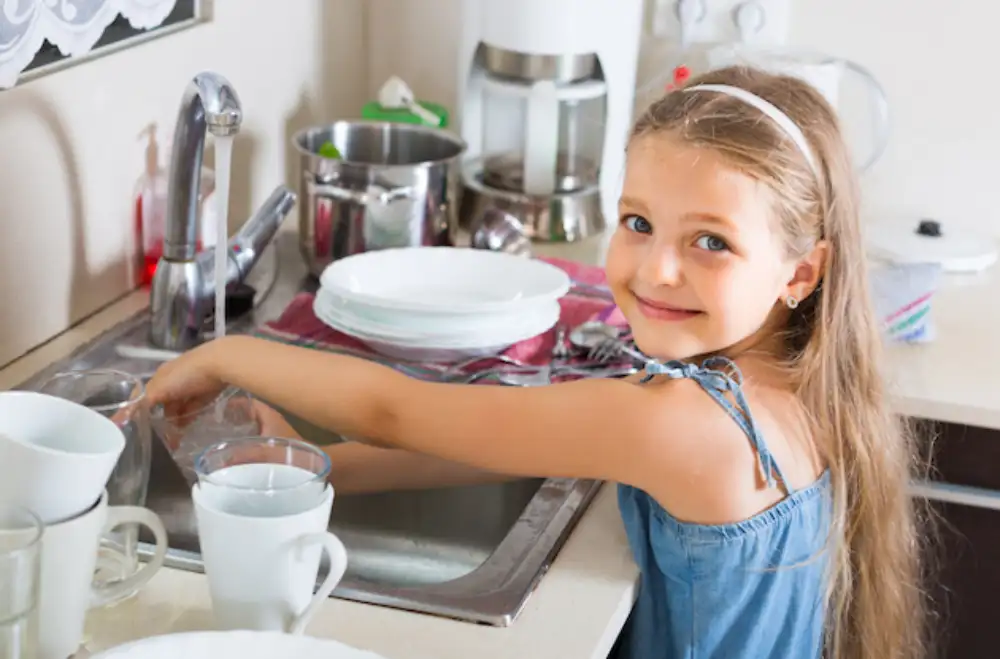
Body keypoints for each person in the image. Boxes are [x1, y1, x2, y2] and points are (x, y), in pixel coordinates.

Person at [145, 66, 926, 659]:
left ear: (800, 272)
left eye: (711, 241)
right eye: (639, 221)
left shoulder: (685, 425)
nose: (656, 270)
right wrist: (320, 466)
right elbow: (484, 447)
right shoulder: (780, 386)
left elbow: (399, 408)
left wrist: (231, 352)